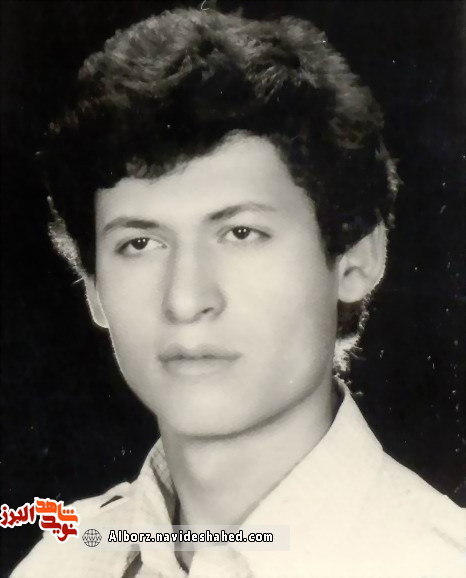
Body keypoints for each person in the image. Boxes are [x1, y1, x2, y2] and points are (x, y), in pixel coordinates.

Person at [11, 6, 465, 578]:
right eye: (140, 244)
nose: (185, 300)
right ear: (94, 289)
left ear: (355, 258)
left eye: (241, 233)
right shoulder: (60, 563)